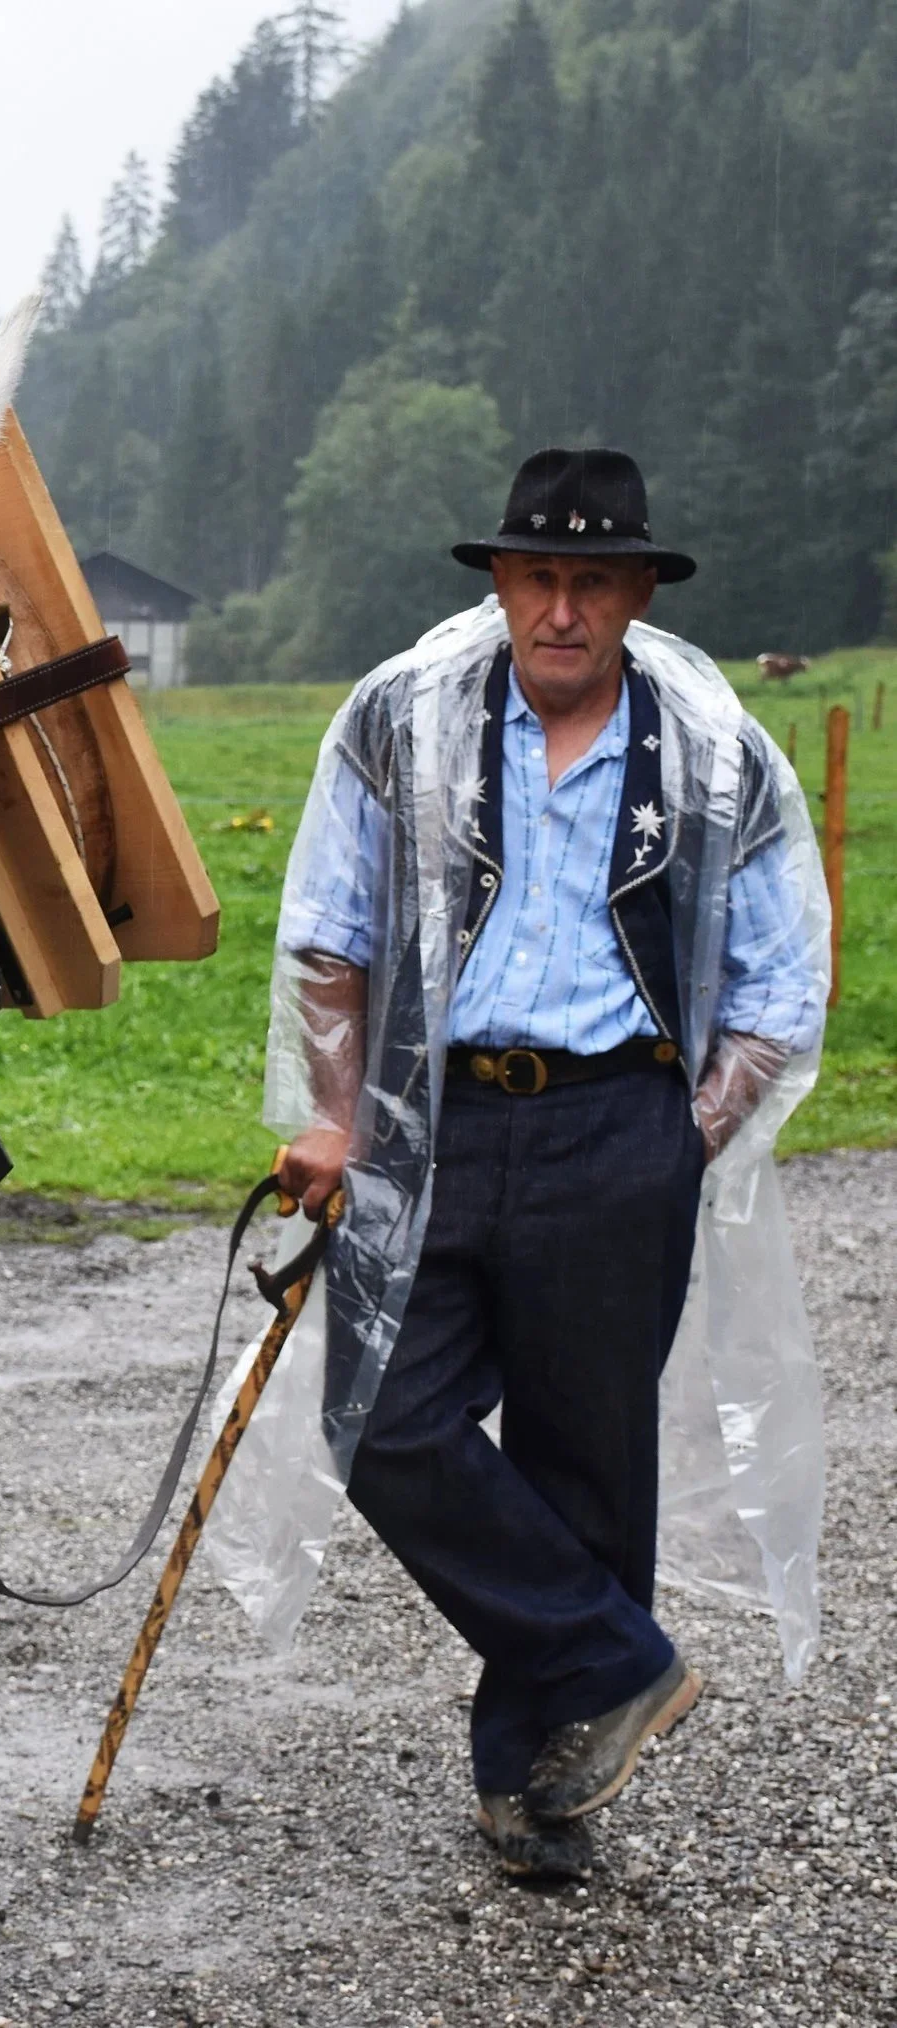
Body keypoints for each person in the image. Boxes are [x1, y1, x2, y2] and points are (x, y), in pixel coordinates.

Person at [242, 448, 829, 1881]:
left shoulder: (709, 746)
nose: (560, 608)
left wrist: (674, 1140)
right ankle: (614, 1659)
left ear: (634, 593)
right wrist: (335, 1112)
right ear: (501, 583)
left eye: (592, 580)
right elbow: (331, 933)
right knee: (378, 1414)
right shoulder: (402, 719)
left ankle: (535, 1789)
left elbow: (780, 976)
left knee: (584, 1461)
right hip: (431, 1118)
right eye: (537, 576)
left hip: (620, 1126)